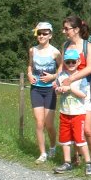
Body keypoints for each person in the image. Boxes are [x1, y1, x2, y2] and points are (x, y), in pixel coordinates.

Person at [59, 15, 91, 169]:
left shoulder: (88, 46)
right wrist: (57, 80)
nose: (64, 31)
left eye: (66, 28)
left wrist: (72, 79)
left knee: (87, 129)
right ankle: (78, 156)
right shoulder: (65, 46)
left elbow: (90, 68)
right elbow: (62, 67)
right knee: (72, 124)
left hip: (86, 90)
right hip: (69, 91)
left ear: (76, 30)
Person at [53, 48, 91, 175]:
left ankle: (88, 163)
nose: (70, 64)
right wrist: (59, 90)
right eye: (68, 62)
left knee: (80, 140)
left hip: (78, 114)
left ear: (78, 62)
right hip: (64, 112)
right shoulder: (61, 75)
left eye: (73, 62)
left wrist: (70, 88)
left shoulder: (81, 77)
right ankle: (67, 163)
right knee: (64, 140)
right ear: (65, 62)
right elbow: (55, 89)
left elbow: (83, 94)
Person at [26, 22, 62, 164]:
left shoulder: (55, 52)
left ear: (50, 35)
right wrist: (29, 74)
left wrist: (53, 77)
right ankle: (42, 153)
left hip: (49, 91)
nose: (41, 36)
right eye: (39, 33)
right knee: (39, 123)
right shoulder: (32, 50)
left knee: (49, 124)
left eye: (44, 33)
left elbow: (61, 68)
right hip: (36, 89)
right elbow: (30, 65)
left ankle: (53, 146)